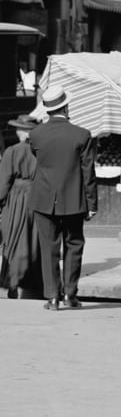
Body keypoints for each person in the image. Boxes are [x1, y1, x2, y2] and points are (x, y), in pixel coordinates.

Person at [28, 86, 97, 310]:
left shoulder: (36, 135)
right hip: (74, 198)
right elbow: (88, 171)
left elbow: (37, 156)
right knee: (74, 244)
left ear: (47, 110)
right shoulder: (82, 134)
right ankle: (70, 294)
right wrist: (92, 203)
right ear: (66, 106)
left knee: (48, 247)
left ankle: (52, 297)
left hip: (43, 198)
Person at [0, 115, 40, 299]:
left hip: (16, 197)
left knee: (14, 238)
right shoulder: (41, 151)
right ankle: (32, 282)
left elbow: (4, 182)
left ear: (22, 131)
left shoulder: (12, 151)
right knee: (33, 239)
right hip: (37, 196)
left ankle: (13, 282)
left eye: (18, 128)